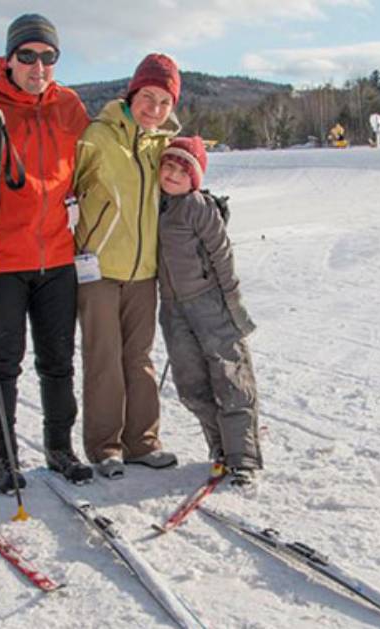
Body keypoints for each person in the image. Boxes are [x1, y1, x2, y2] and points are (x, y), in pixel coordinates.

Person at [0, 14, 94, 492]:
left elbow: (100, 159)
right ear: (10, 59)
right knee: (4, 362)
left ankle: (60, 447)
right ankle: (4, 454)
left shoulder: (70, 105)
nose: (38, 66)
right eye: (28, 56)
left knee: (58, 359)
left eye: (48, 57)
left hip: (58, 254)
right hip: (1, 257)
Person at [74, 53, 182, 479]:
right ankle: (105, 447)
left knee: (139, 358)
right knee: (103, 357)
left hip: (144, 271)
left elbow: (180, 186)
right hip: (98, 268)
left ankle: (143, 441)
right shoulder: (98, 136)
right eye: (148, 97)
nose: (154, 109)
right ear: (133, 92)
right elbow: (70, 185)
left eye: (164, 102)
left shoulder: (164, 147)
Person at [155, 136, 261, 487]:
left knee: (229, 376)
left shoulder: (199, 206)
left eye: (182, 170)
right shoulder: (154, 205)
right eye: (167, 166)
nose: (172, 175)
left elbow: (221, 254)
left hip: (208, 301)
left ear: (195, 178)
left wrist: (232, 302)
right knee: (190, 383)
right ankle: (219, 448)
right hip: (172, 308)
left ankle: (241, 456)